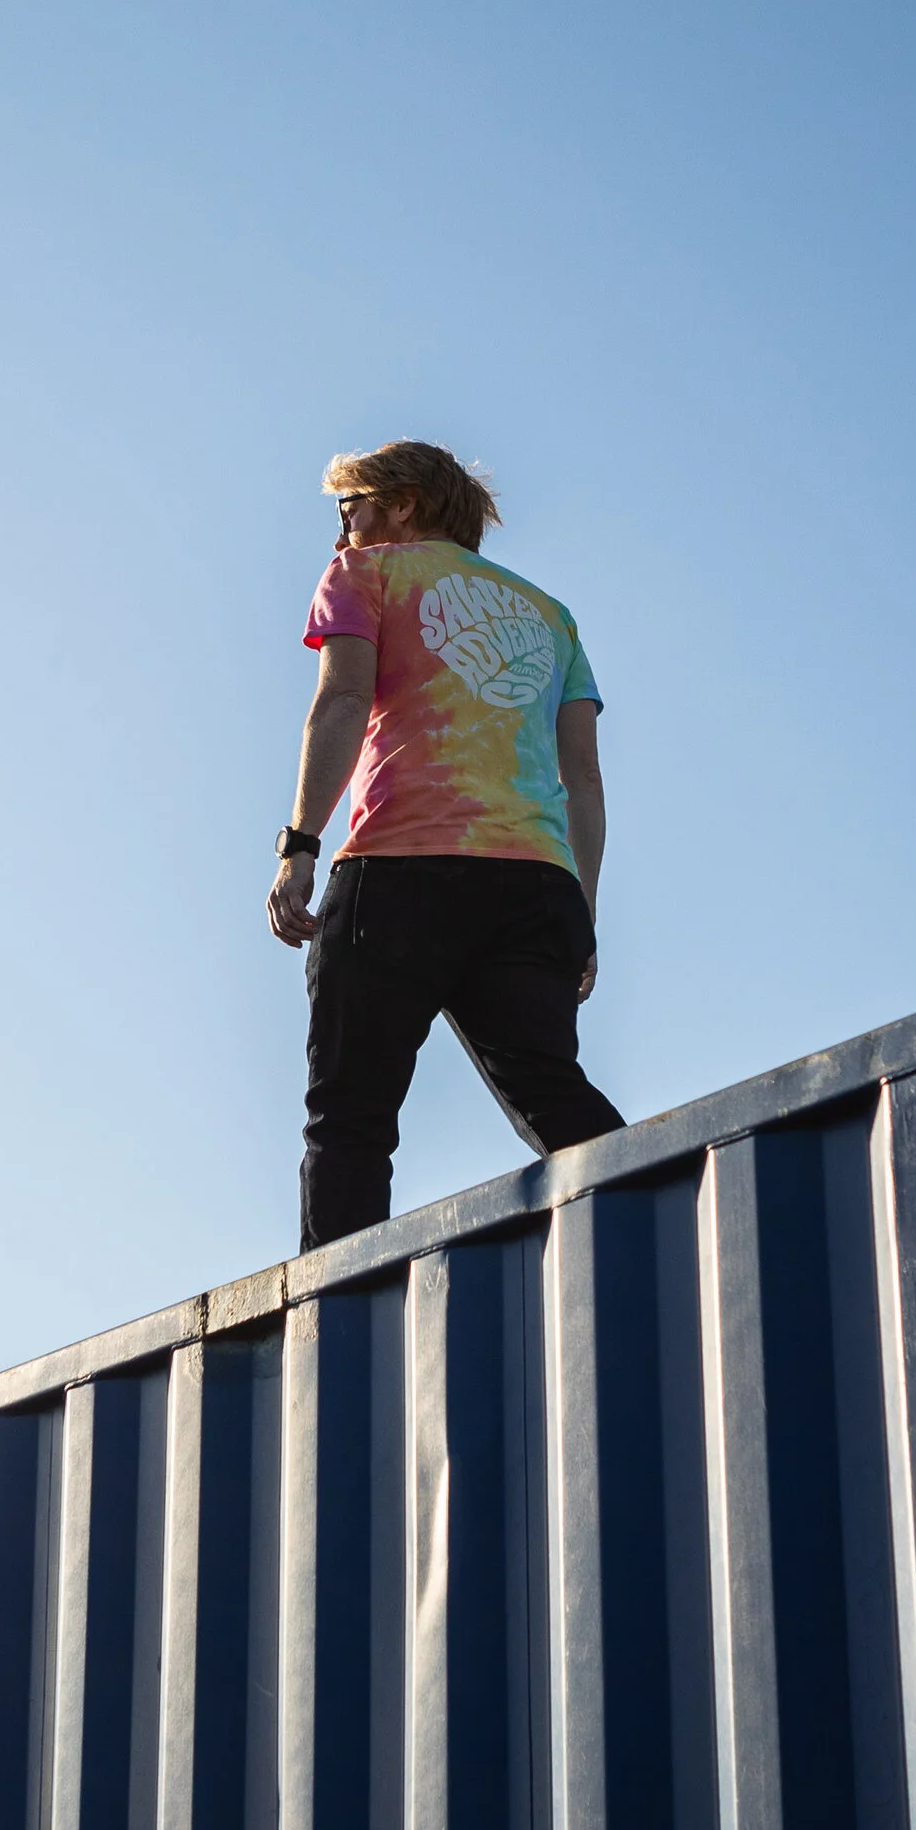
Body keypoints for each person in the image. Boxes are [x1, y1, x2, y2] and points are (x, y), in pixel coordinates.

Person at [268, 439, 624, 1250]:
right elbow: (583, 777)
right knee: (555, 1095)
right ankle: (667, 1236)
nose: (341, 532)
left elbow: (343, 699)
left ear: (401, 504)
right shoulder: (550, 616)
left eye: (350, 508)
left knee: (350, 1120)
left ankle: (339, 1315)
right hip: (535, 887)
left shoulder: (367, 573)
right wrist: (582, 911)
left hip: (400, 870)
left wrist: (300, 844)